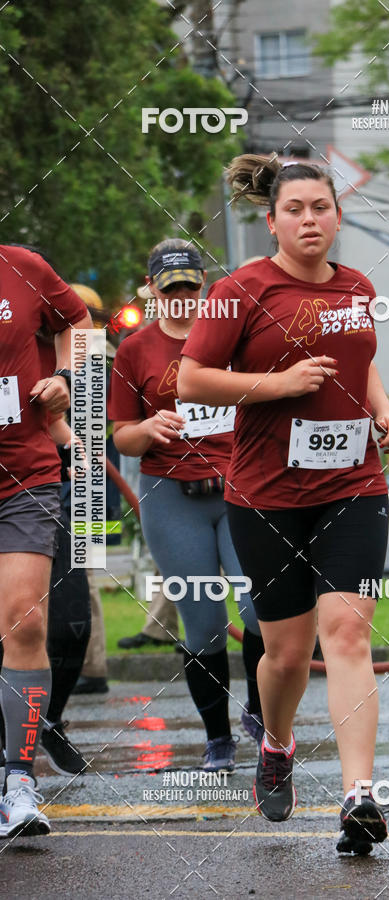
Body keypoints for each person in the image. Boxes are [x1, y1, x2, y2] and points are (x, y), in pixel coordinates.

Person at [177, 155, 389, 854]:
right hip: (268, 494)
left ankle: (357, 795)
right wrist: (277, 386)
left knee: (348, 633)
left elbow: (361, 363)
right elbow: (189, 380)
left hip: (353, 485)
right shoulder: (239, 290)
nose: (310, 220)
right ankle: (275, 744)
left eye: (322, 208)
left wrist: (385, 414)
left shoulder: (359, 286)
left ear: (338, 214)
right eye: (296, 210)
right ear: (272, 219)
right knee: (284, 655)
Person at [108, 238, 265, 773]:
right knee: (203, 626)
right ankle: (218, 738)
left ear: (206, 288)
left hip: (239, 489)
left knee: (259, 610)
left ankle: (264, 712)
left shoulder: (232, 336)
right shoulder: (136, 350)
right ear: (152, 291)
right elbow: (121, 436)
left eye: (191, 288)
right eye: (170, 289)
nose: (182, 298)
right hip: (172, 498)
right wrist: (147, 427)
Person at [0, 244, 91, 837]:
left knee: (25, 622)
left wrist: (64, 376)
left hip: (24, 476)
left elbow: (81, 324)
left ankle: (18, 783)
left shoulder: (23, 268)